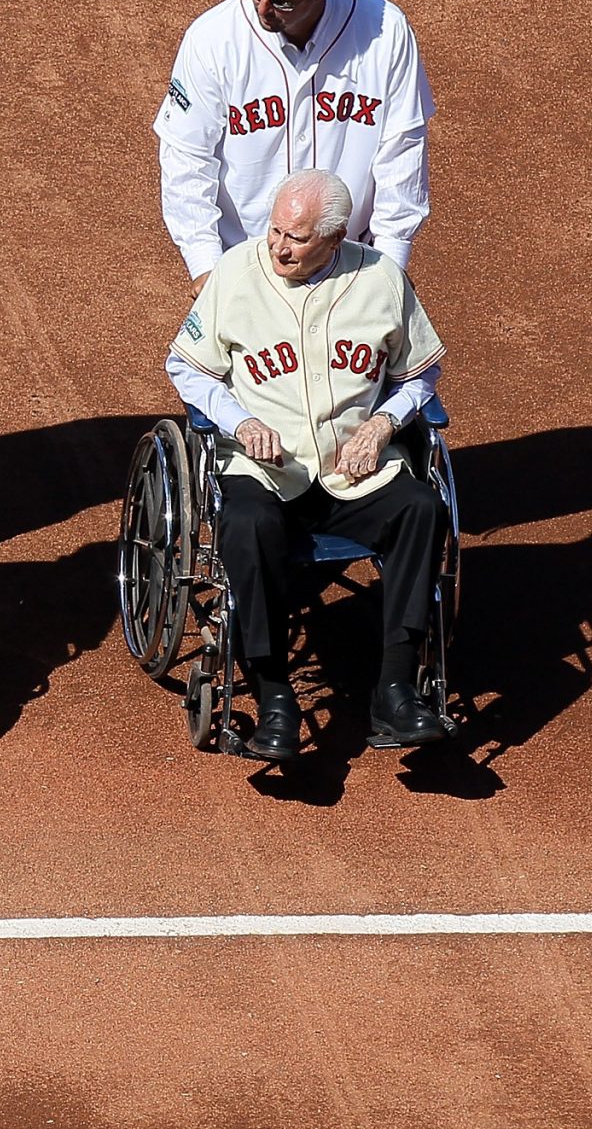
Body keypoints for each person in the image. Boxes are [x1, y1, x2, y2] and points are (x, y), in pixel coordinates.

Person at [166, 168, 450, 760]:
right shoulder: (236, 274)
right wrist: (238, 421)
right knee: (247, 525)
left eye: (295, 238)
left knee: (421, 509)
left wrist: (383, 424)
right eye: (274, 230)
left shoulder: (381, 279)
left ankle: (395, 689)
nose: (278, 246)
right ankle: (273, 698)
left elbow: (421, 374)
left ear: (337, 236)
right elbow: (187, 367)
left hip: (356, 471)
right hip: (265, 472)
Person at [156, 0, 434, 281]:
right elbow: (187, 159)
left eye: (281, 1)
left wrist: (390, 266)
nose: (261, 10)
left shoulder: (385, 34)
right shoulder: (213, 39)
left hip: (350, 264)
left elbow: (402, 153)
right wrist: (205, 266)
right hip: (245, 264)